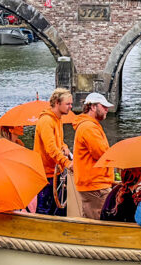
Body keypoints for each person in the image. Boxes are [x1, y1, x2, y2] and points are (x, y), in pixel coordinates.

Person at [72, 92, 116, 219]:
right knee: (100, 223)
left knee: (90, 221)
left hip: (92, 183)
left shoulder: (89, 125)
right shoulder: (89, 127)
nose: (107, 109)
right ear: (92, 107)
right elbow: (102, 154)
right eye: (103, 106)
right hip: (96, 185)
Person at [32, 88, 73, 216]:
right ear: (57, 102)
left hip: (54, 172)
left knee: (54, 205)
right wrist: (67, 163)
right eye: (67, 104)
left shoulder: (58, 119)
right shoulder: (46, 121)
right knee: (44, 207)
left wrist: (65, 147)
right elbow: (50, 148)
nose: (70, 107)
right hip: (45, 172)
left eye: (71, 104)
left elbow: (58, 142)